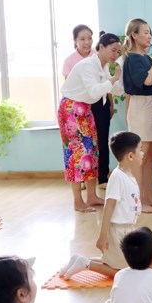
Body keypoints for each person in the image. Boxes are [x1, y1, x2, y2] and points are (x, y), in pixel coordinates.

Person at [60, 131, 143, 279]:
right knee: (122, 272)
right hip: (118, 232)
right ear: (131, 156)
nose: (143, 153)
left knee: (118, 263)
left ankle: (79, 259)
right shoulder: (117, 177)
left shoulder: (129, 175)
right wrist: (103, 235)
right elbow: (109, 207)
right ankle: (86, 264)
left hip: (126, 230)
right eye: (140, 150)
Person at [59, 32, 122, 212]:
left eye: (118, 52)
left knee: (91, 152)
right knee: (76, 155)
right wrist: (114, 79)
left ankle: (92, 196)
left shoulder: (102, 66)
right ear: (101, 47)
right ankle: (78, 201)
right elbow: (95, 91)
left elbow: (113, 89)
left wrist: (124, 85)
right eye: (113, 50)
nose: (115, 55)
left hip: (85, 109)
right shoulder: (87, 65)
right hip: (71, 109)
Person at [122, 18, 152, 213]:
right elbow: (148, 80)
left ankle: (148, 197)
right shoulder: (133, 59)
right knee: (141, 156)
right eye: (145, 32)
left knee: (150, 156)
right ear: (134, 35)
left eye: (150, 32)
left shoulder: (145, 58)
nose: (149, 36)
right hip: (141, 107)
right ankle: (139, 202)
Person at [62, 25, 113, 190]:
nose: (87, 42)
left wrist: (110, 101)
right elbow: (80, 88)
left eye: (90, 38)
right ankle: (81, 185)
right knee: (79, 148)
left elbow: (107, 84)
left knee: (97, 144)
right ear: (74, 41)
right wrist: (112, 81)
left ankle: (100, 181)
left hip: (95, 103)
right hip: (77, 105)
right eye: (82, 39)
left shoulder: (98, 58)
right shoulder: (75, 62)